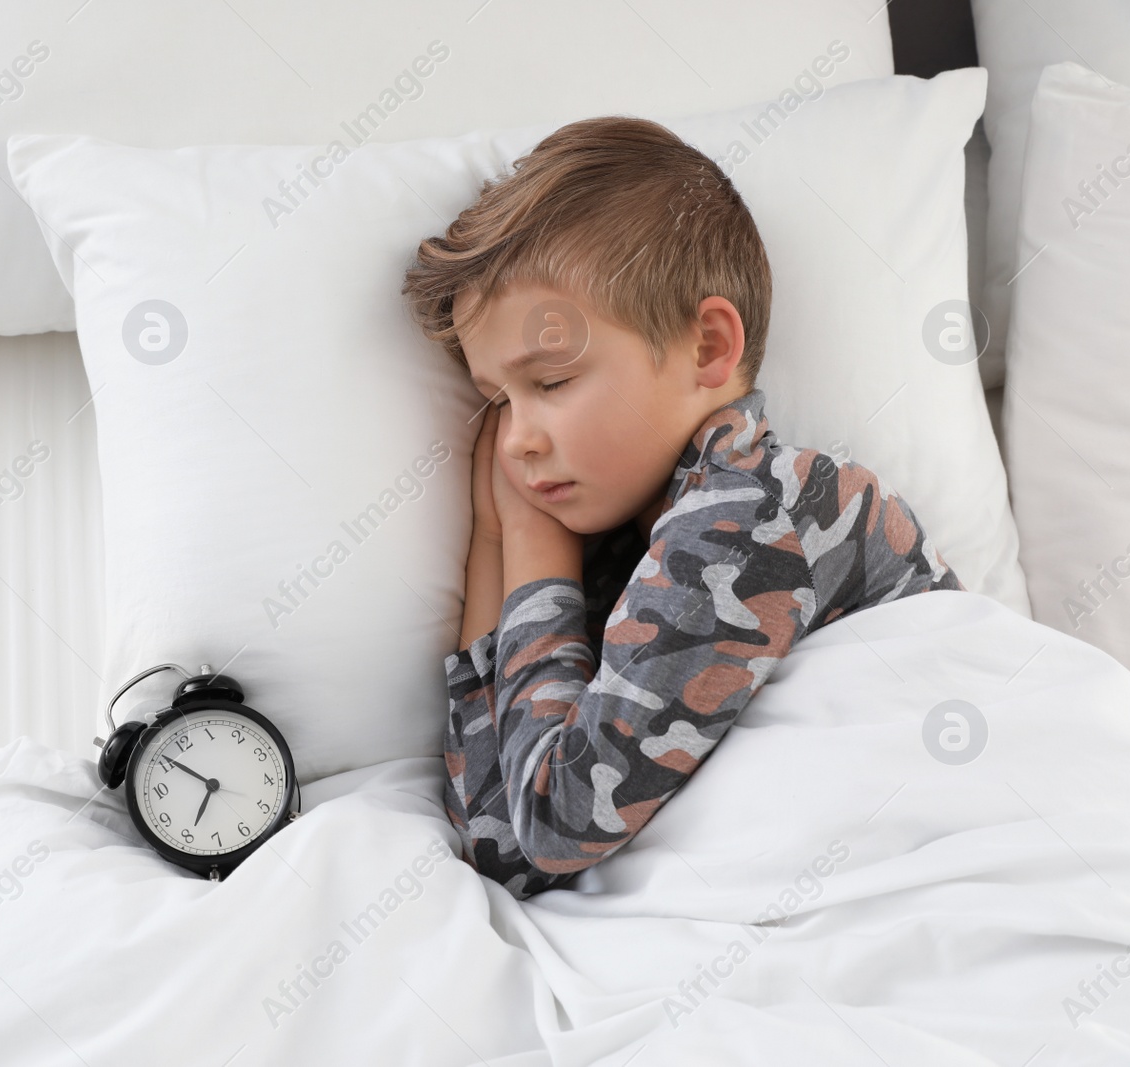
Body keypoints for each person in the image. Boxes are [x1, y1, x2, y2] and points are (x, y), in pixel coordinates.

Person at [400, 116, 964, 900]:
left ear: (707, 348)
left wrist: (527, 541)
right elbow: (501, 849)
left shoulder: (763, 510)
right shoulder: (614, 571)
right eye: (498, 402)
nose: (515, 442)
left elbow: (555, 820)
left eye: (552, 382)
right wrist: (497, 536)